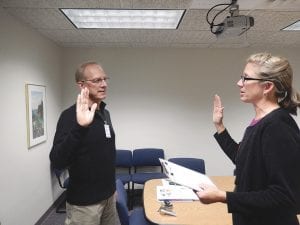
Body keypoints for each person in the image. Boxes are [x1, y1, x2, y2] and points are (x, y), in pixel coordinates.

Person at [197, 52, 300, 225]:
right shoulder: (261, 122)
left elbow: (285, 197)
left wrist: (223, 196)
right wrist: (219, 126)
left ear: (267, 86)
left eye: (245, 78)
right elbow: (243, 160)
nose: (239, 83)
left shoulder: (278, 127)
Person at [49, 61, 120, 225]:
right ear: (81, 85)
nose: (104, 84)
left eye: (105, 79)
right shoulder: (69, 116)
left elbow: (107, 155)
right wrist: (80, 128)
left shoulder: (105, 113)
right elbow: (57, 160)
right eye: (97, 80)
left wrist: (112, 188)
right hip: (84, 205)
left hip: (108, 197)